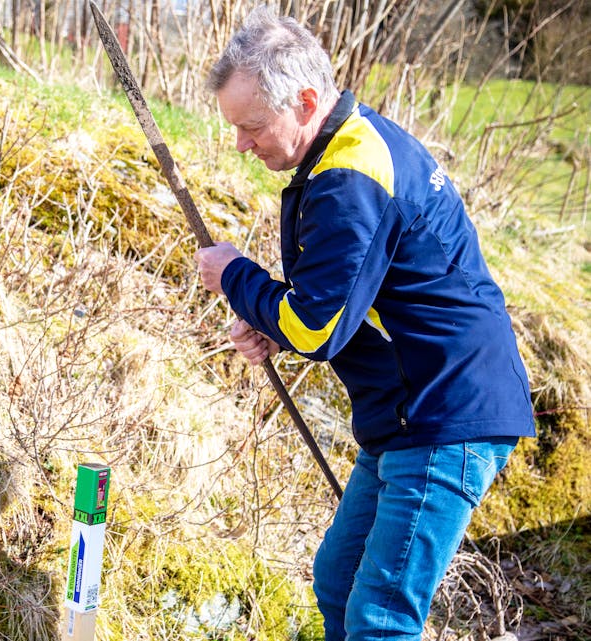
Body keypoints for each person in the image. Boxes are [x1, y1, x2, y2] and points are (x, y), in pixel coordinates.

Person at [194, 6, 535, 640]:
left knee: (380, 616)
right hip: (409, 413)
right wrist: (272, 323)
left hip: (444, 415)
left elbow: (317, 330)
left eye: (252, 126)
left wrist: (236, 276)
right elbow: (351, 300)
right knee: (340, 581)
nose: (241, 144)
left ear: (304, 102)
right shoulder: (348, 153)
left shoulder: (353, 173)